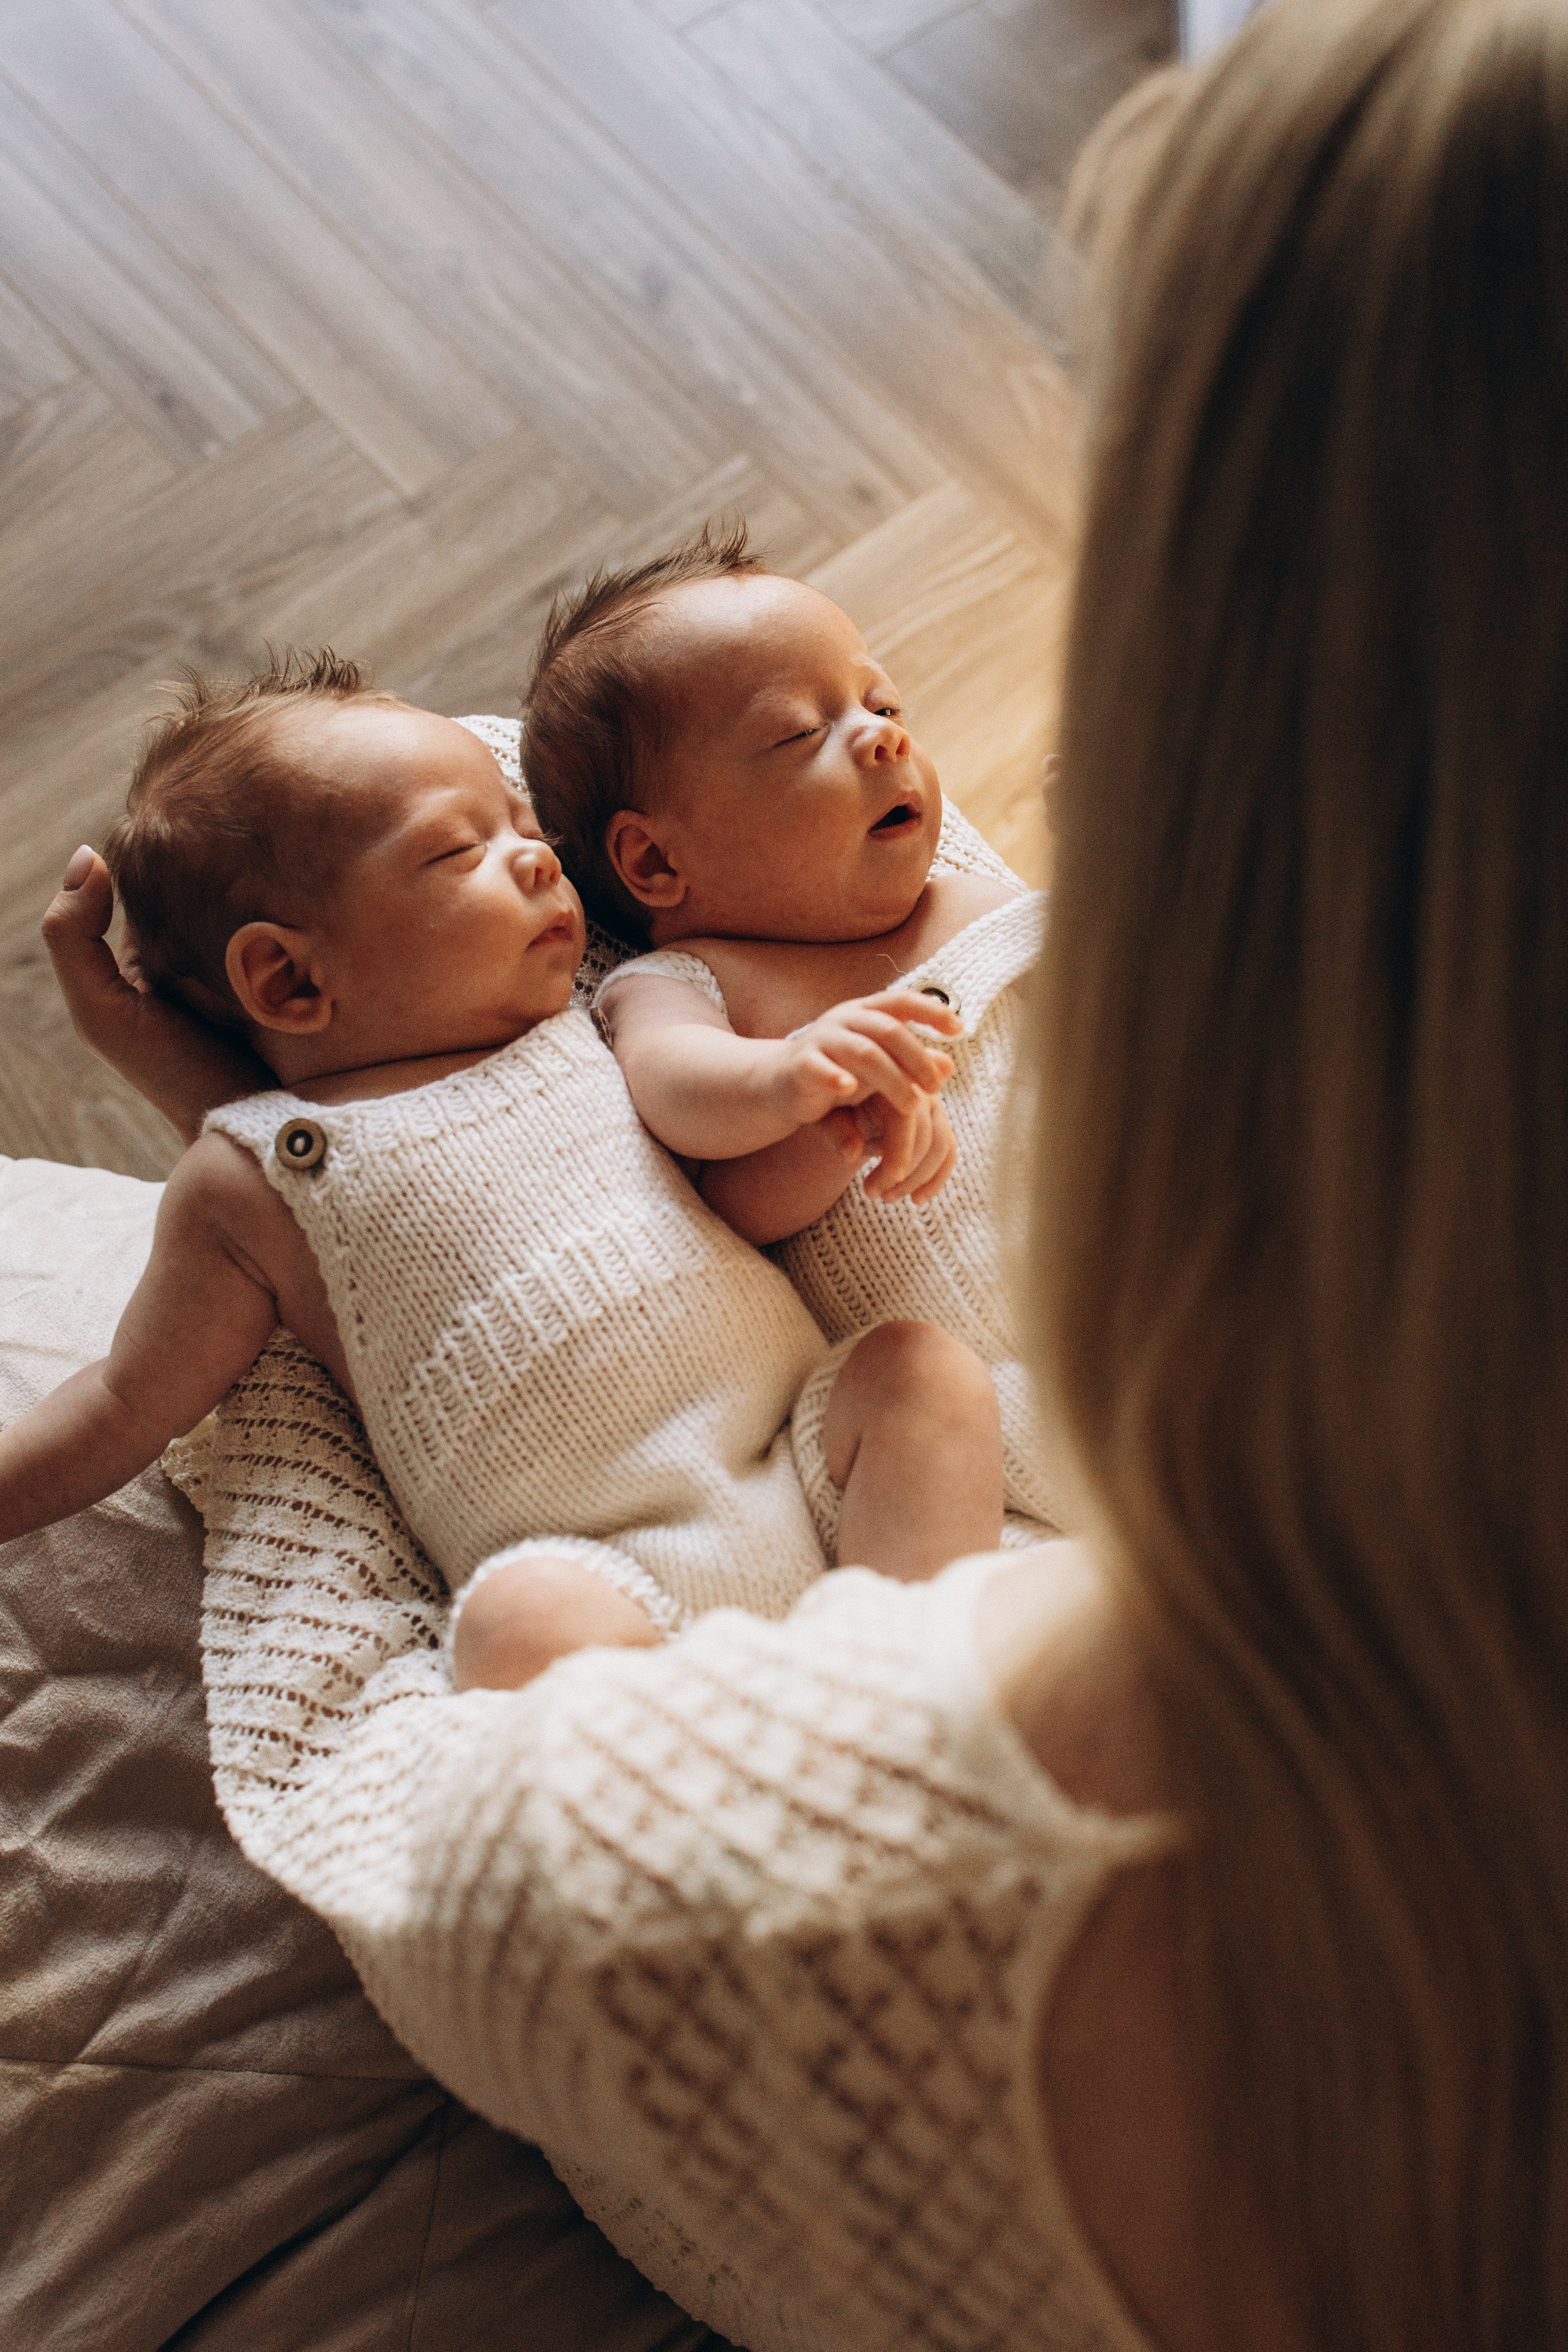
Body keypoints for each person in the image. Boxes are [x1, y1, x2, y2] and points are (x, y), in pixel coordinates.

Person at [41, 0, 1568, 2341]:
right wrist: (311, 1141)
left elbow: (400, 1817)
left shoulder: (901, 1838)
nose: (899, 758)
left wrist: (265, 1190)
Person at [7, 655, 1006, 1685]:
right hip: (601, 1571)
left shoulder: (593, 1033)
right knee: (515, 1625)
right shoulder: (253, 1178)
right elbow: (127, 1398)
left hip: (802, 1456)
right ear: (289, 975)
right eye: (459, 848)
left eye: (527, 830)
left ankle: (914, 1690)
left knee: (917, 1371)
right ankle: (798, 1741)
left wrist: (831, 1129)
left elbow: (730, 1211)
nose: (539, 863)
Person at [528, 535, 1063, 1528]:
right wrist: (798, 1082)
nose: (883, 739)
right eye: (796, 735)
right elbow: (684, 1101)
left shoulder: (978, 901)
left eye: (884, 705)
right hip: (1007, 1410)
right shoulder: (692, 986)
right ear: (653, 862)